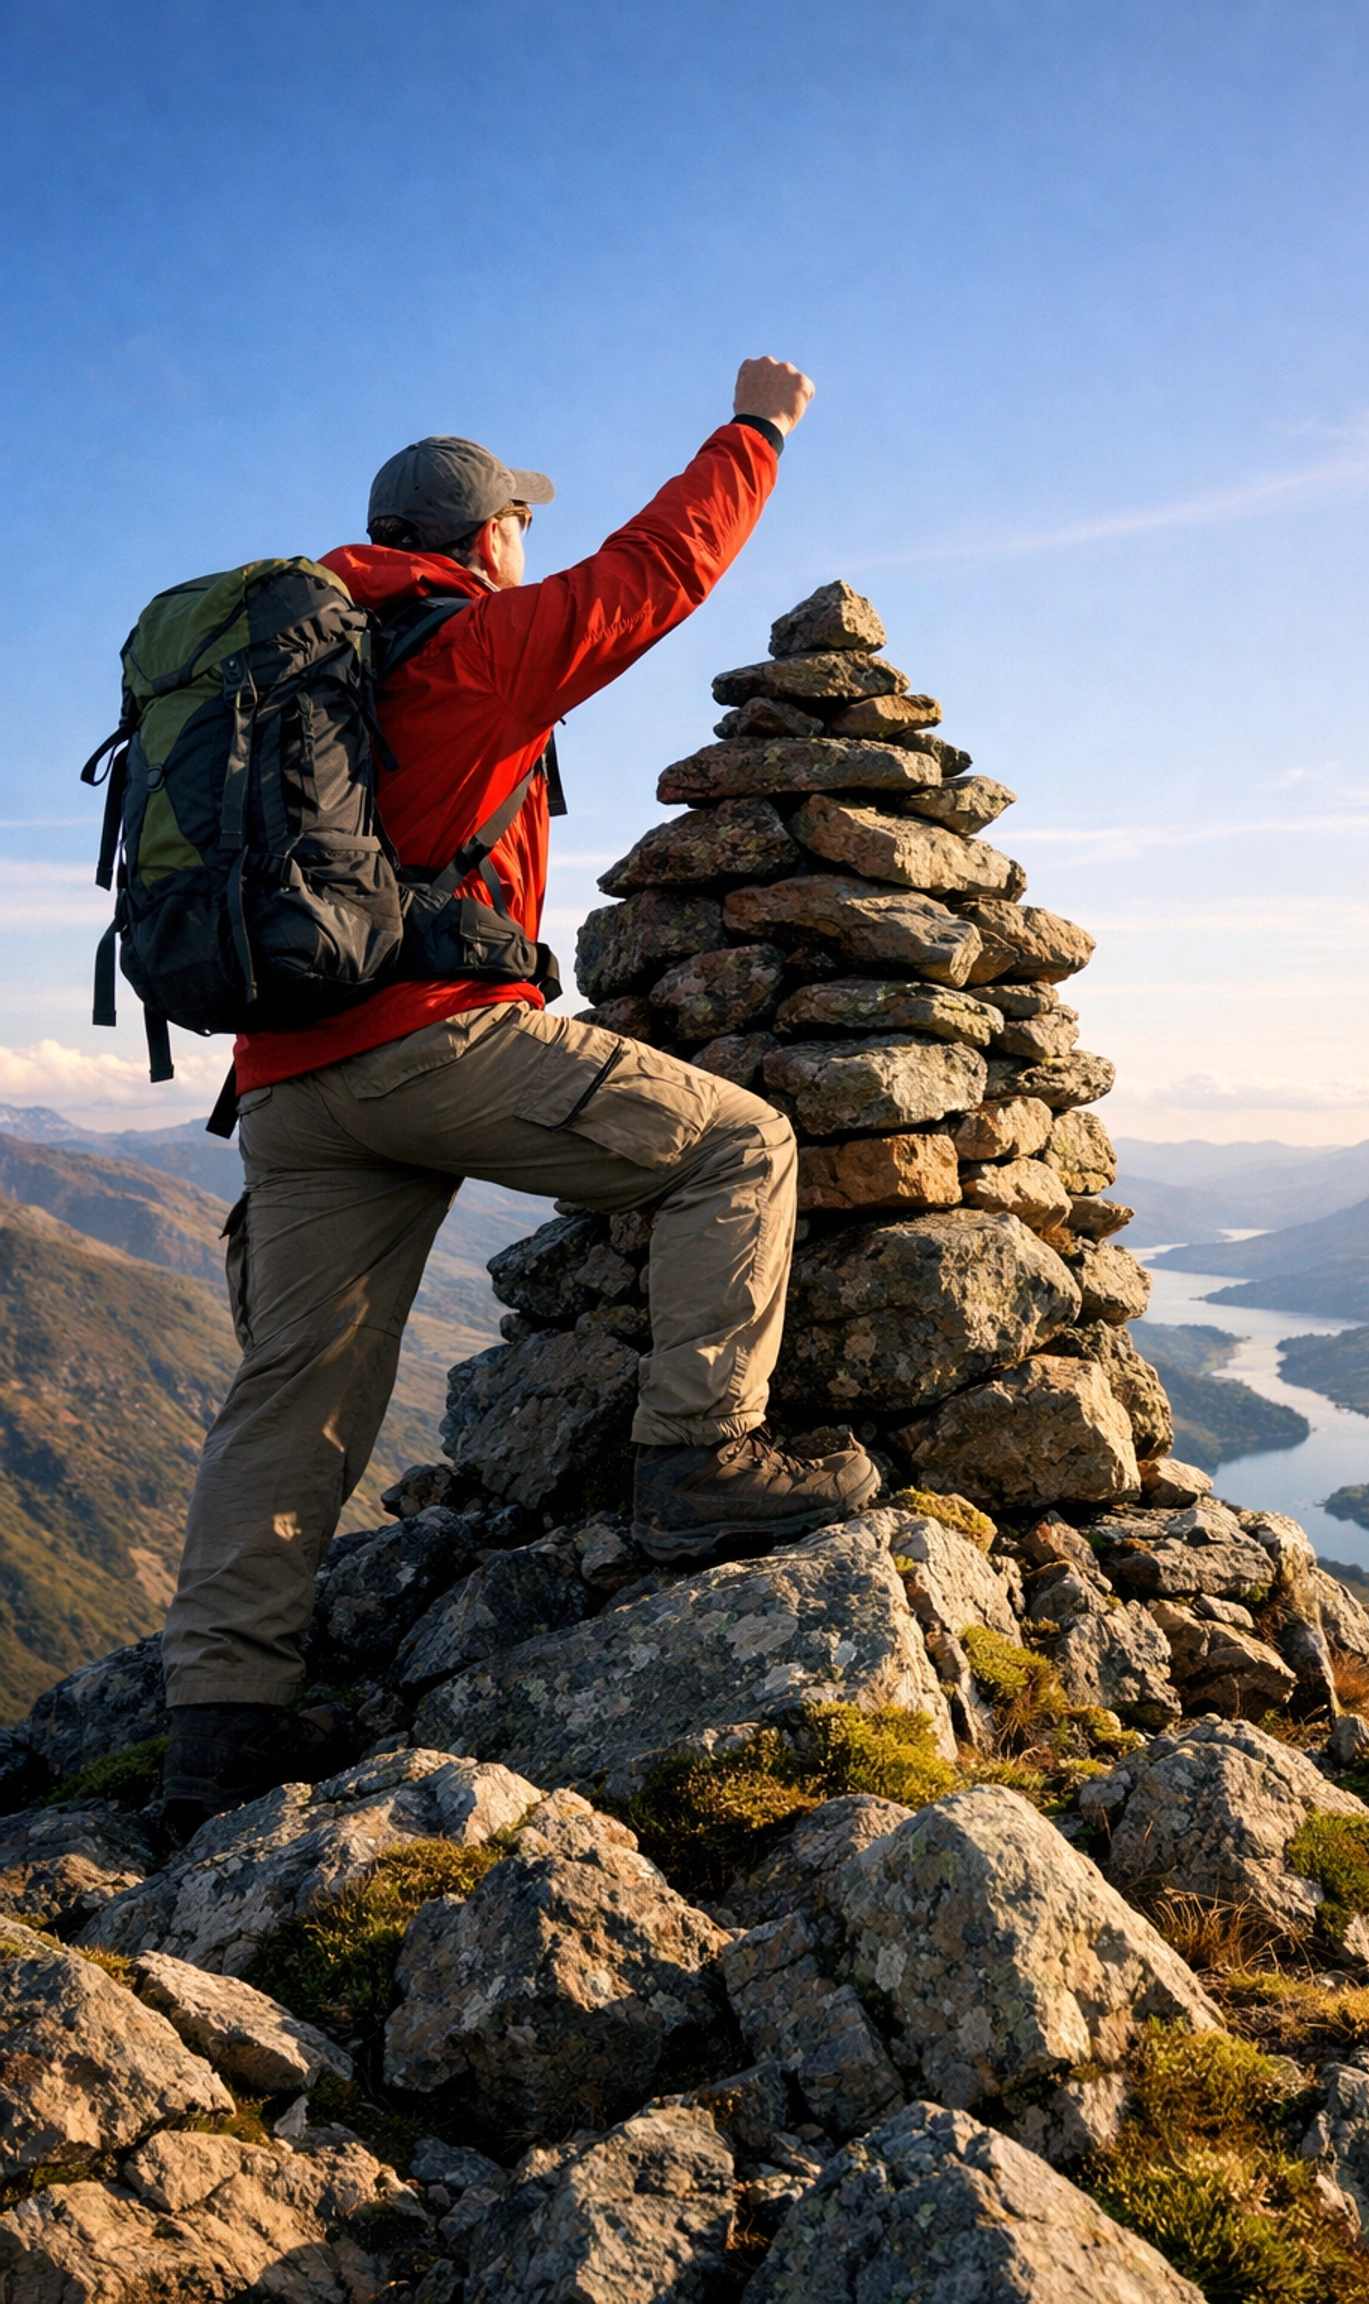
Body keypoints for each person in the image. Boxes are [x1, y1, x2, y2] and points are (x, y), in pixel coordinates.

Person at [158, 357, 880, 1835]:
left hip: (287, 1088)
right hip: (433, 1049)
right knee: (741, 1145)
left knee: (287, 1405)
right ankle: (695, 1456)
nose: (527, 548)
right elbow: (656, 574)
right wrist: (757, 430)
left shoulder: (308, 667)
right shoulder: (471, 644)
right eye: (518, 527)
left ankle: (216, 1738)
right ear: (487, 537)